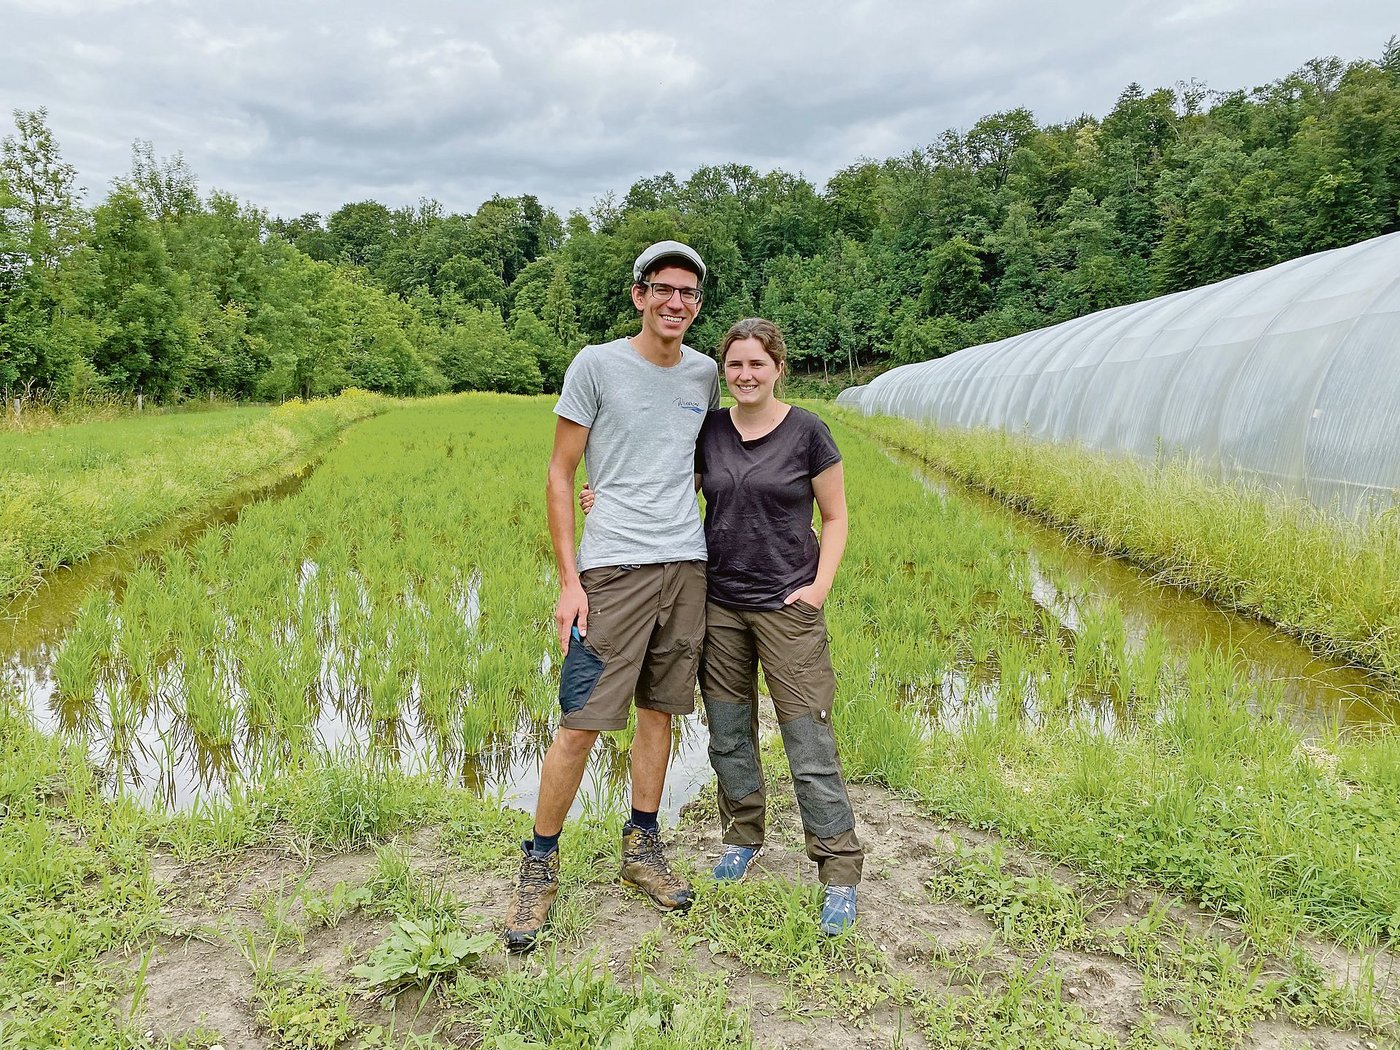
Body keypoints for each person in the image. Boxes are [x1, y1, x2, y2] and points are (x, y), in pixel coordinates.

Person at [583, 317, 864, 935]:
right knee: (730, 733)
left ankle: (838, 869)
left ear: (777, 368)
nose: (744, 375)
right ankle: (743, 836)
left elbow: (836, 517)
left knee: (807, 737)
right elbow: (670, 486)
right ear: (724, 372)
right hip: (720, 602)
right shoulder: (711, 431)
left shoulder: (808, 433)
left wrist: (819, 587)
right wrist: (603, 497)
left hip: (788, 607)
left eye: (756, 364)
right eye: (734, 366)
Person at [503, 241, 720, 953]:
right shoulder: (596, 364)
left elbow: (694, 464)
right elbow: (560, 474)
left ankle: (642, 846)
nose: (675, 303)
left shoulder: (705, 372)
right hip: (612, 573)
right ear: (639, 295)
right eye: (663, 289)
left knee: (661, 710)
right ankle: (540, 863)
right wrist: (570, 580)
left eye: (687, 292)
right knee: (582, 720)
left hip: (686, 566)